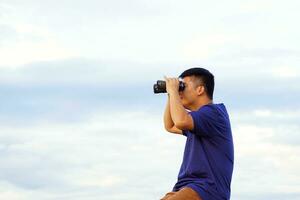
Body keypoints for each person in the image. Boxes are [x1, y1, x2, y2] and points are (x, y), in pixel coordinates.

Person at [160, 68, 234, 200]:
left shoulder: (214, 113)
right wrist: (171, 95)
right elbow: (170, 125)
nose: (180, 91)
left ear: (200, 89)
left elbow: (181, 121)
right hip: (187, 187)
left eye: (183, 86)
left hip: (207, 189)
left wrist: (173, 91)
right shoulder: (198, 120)